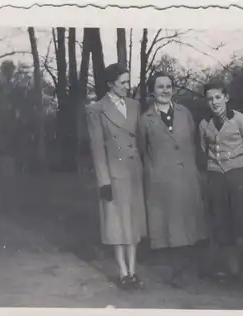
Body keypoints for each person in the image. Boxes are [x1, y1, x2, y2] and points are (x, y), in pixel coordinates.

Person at [138, 72, 207, 288]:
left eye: (169, 86)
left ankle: (197, 267)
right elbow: (143, 149)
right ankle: (177, 271)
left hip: (187, 175)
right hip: (163, 179)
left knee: (190, 221)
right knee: (171, 225)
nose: (165, 90)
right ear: (152, 91)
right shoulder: (145, 119)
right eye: (160, 87)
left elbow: (194, 142)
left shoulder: (185, 113)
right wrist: (152, 173)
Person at [86, 63, 147, 290]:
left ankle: (133, 270)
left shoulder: (134, 105)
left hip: (133, 172)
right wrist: (103, 181)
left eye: (128, 82)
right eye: (122, 82)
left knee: (132, 223)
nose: (127, 86)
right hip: (113, 173)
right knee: (117, 224)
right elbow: (97, 148)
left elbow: (138, 140)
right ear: (110, 84)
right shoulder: (96, 109)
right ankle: (123, 272)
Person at [198, 81, 243, 293]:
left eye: (218, 97)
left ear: (226, 98)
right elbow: (203, 150)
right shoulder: (203, 124)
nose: (214, 102)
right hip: (216, 176)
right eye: (210, 99)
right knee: (222, 222)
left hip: (239, 174)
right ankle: (232, 271)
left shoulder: (239, 119)